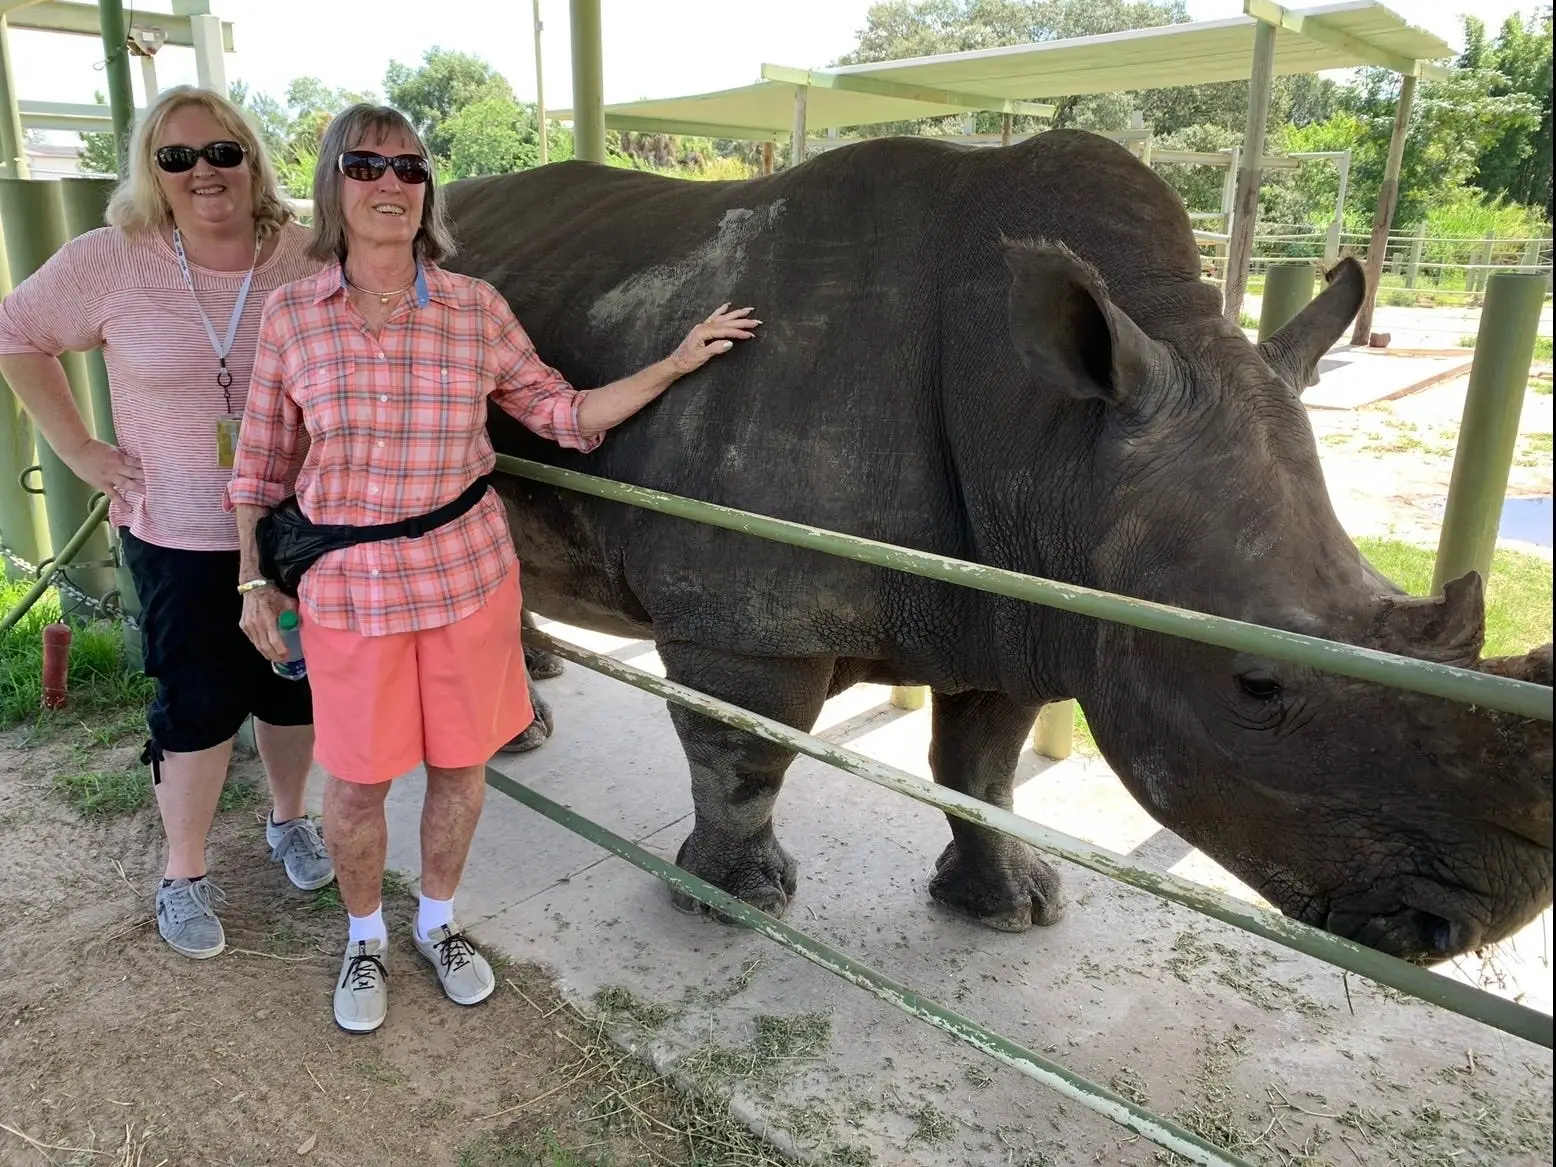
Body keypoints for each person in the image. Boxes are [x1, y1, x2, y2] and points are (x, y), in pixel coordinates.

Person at [227, 102, 760, 1034]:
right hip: (349, 588)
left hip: (468, 579)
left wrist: (673, 364)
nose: (391, 184)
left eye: (409, 168)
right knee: (353, 782)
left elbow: (563, 414)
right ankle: (364, 937)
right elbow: (261, 466)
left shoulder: (474, 308)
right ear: (333, 183)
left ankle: (437, 921)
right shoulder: (291, 317)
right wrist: (250, 579)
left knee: (461, 768)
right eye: (368, 165)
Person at [0, 85, 334, 960]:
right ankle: (183, 872)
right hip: (176, 531)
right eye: (176, 158)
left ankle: (289, 821)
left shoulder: (306, 257)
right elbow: (15, 331)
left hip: (291, 531)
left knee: (291, 684)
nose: (203, 172)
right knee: (196, 702)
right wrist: (77, 449)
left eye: (222, 152)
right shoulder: (112, 258)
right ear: (152, 170)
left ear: (252, 159)